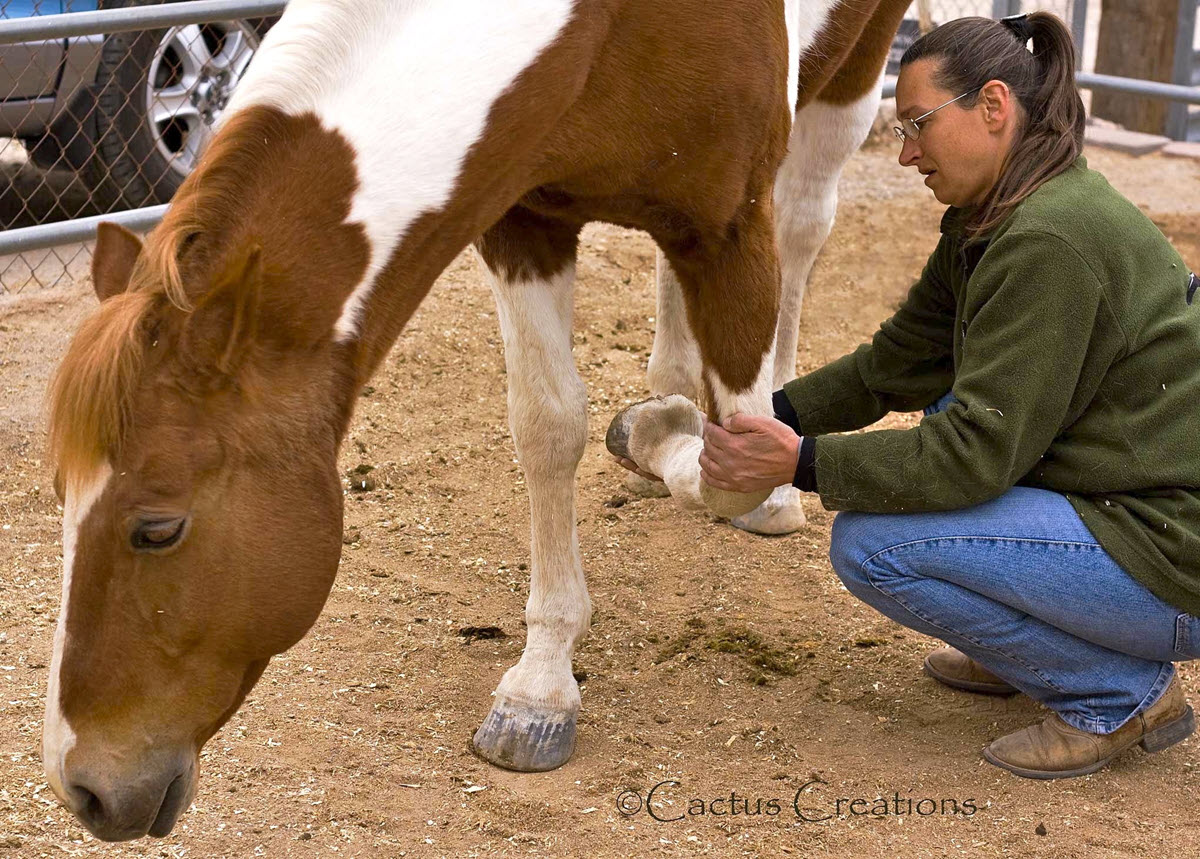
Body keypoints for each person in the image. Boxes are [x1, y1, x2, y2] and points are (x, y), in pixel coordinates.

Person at [626, 11, 1200, 779]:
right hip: (1132, 501)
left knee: (874, 546)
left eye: (917, 125)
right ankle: (1027, 650)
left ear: (994, 106)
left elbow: (975, 456)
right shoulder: (995, 214)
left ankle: (1117, 693)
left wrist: (799, 463)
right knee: (936, 414)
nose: (903, 155)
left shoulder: (1048, 241)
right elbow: (893, 365)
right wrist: (755, 420)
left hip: (1173, 556)